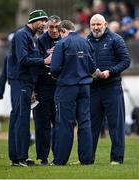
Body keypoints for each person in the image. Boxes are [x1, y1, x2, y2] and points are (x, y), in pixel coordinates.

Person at [7, 9, 51, 167]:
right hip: (20, 82)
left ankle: (17, 158)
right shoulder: (22, 35)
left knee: (19, 119)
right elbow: (23, 59)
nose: (44, 24)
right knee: (21, 119)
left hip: (25, 83)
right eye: (42, 21)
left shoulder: (31, 37)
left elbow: (30, 58)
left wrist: (44, 57)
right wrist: (44, 61)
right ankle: (20, 158)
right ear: (34, 20)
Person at [50, 20, 96, 165]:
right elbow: (92, 66)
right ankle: (87, 159)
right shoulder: (86, 42)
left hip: (67, 87)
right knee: (85, 123)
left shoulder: (62, 44)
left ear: (63, 30)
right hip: (85, 87)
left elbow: (55, 68)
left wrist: (57, 75)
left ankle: (60, 160)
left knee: (65, 123)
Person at [87, 14, 131, 165]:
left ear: (105, 24)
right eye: (93, 24)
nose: (96, 27)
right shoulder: (85, 41)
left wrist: (110, 71)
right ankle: (88, 159)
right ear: (89, 25)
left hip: (112, 87)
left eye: (99, 24)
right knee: (91, 125)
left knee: (115, 125)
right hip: (93, 88)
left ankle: (116, 159)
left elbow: (126, 60)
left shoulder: (116, 39)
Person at [33, 15, 61, 166]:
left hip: (59, 86)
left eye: (57, 27)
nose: (54, 30)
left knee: (58, 122)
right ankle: (42, 157)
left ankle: (58, 156)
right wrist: (47, 56)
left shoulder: (64, 40)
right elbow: (35, 63)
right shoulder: (40, 41)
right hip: (43, 86)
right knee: (42, 123)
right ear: (47, 27)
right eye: (51, 27)